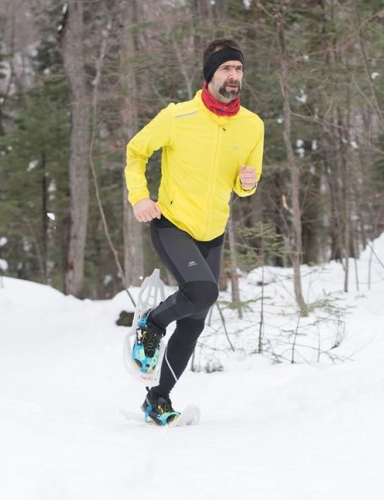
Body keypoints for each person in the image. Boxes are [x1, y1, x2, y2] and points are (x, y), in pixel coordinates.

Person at [124, 38, 264, 425]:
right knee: (203, 291)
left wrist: (249, 180)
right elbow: (136, 152)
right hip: (171, 225)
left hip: (212, 232)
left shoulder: (252, 125)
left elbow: (244, 185)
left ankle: (158, 399)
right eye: (226, 69)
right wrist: (139, 198)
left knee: (195, 319)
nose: (234, 76)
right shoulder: (178, 117)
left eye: (238, 69)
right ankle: (151, 324)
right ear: (210, 75)